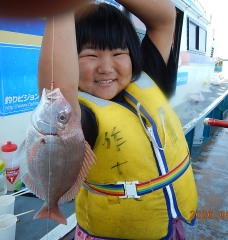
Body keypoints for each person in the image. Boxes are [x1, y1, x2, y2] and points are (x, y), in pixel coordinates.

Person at [38, 1, 198, 239]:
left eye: (118, 53)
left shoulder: (148, 77)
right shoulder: (80, 114)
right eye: (91, 55)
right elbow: (56, 90)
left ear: (132, 56)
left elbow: (165, 18)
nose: (105, 67)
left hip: (169, 225)